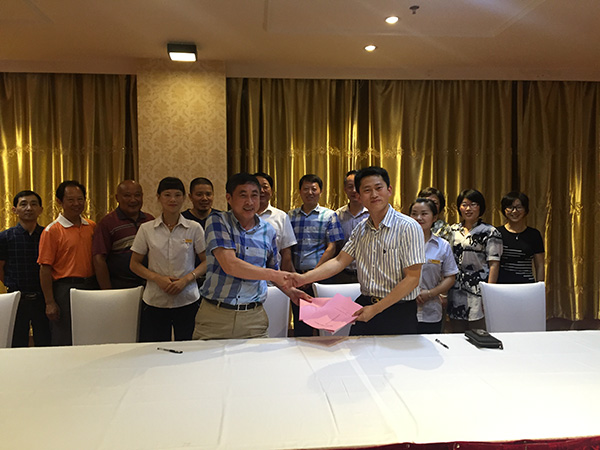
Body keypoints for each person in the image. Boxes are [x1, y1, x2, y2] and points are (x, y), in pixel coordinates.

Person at [285, 166, 426, 336]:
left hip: (398, 310)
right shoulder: (360, 229)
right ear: (358, 196)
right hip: (366, 305)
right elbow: (339, 261)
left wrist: (376, 309)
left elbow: (412, 279)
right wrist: (303, 278)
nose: (374, 194)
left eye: (378, 188)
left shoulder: (408, 227)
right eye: (367, 190)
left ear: (389, 190)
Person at [193, 173, 309, 340]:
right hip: (216, 316)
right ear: (229, 198)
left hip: (253, 318)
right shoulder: (218, 221)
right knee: (206, 358)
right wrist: (273, 275)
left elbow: (273, 269)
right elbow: (230, 265)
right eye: (243, 195)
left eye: (254, 195)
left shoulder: (268, 230)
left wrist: (290, 291)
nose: (249, 202)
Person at [130, 177, 206, 342]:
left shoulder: (194, 228)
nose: (173, 199)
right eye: (167, 195)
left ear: (184, 198)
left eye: (177, 195)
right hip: (155, 299)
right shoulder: (146, 229)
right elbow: (134, 264)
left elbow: (207, 261)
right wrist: (157, 278)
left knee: (190, 349)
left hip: (188, 298)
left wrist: (186, 279)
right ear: (158, 197)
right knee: (154, 350)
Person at [38, 180, 97, 346]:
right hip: (65, 290)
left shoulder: (91, 226)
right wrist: (49, 302)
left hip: (91, 286)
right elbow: (44, 269)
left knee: (90, 335)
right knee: (64, 338)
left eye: (80, 199)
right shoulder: (52, 231)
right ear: (60, 202)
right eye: (71, 200)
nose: (76, 204)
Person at [288, 173, 345, 336]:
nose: (310, 192)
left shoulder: (329, 215)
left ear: (320, 191)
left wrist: (314, 274)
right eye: (306, 189)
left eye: (314, 189)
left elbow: (332, 247)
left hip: (322, 277)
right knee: (301, 325)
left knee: (324, 323)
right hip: (297, 276)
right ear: (300, 191)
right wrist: (295, 274)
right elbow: (286, 248)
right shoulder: (290, 216)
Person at [446, 189, 503, 332]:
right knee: (457, 333)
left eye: (473, 204)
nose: (468, 209)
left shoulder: (490, 232)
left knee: (478, 332)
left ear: (480, 207)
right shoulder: (452, 230)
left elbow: (494, 264)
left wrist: (489, 294)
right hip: (455, 290)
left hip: (478, 291)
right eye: (464, 204)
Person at [0, 190, 51, 347]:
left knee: (46, 342)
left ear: (41, 209)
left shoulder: (48, 234)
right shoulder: (5, 237)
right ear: (14, 210)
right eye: (23, 204)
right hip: (17, 298)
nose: (29, 208)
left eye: (34, 204)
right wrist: (10, 283)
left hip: (43, 298)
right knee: (16, 343)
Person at [92, 180, 154, 289]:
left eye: (137, 195)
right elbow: (99, 259)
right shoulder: (107, 223)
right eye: (127, 196)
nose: (133, 200)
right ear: (117, 198)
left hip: (150, 285)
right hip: (121, 286)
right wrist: (107, 291)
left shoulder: (150, 220)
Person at [409, 198, 458, 334]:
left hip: (431, 310)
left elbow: (450, 277)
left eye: (424, 214)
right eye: (414, 214)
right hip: (404, 309)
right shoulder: (401, 243)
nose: (419, 218)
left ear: (434, 217)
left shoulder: (442, 246)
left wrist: (430, 293)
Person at [497, 191, 545, 283]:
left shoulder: (534, 234)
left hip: (526, 285)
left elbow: (539, 265)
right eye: (510, 207)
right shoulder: (497, 233)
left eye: (519, 207)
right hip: (502, 286)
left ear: (526, 210)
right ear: (504, 210)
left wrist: (540, 286)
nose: (514, 211)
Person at [253, 172, 297, 272]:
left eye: (265, 187)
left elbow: (286, 253)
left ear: (271, 191)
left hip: (273, 277)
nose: (261, 191)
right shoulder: (242, 215)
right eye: (257, 187)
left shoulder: (281, 216)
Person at [334, 170, 369, 284]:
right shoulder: (337, 215)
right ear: (345, 189)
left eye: (357, 186)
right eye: (350, 187)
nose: (354, 190)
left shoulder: (372, 215)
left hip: (368, 274)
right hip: (342, 273)